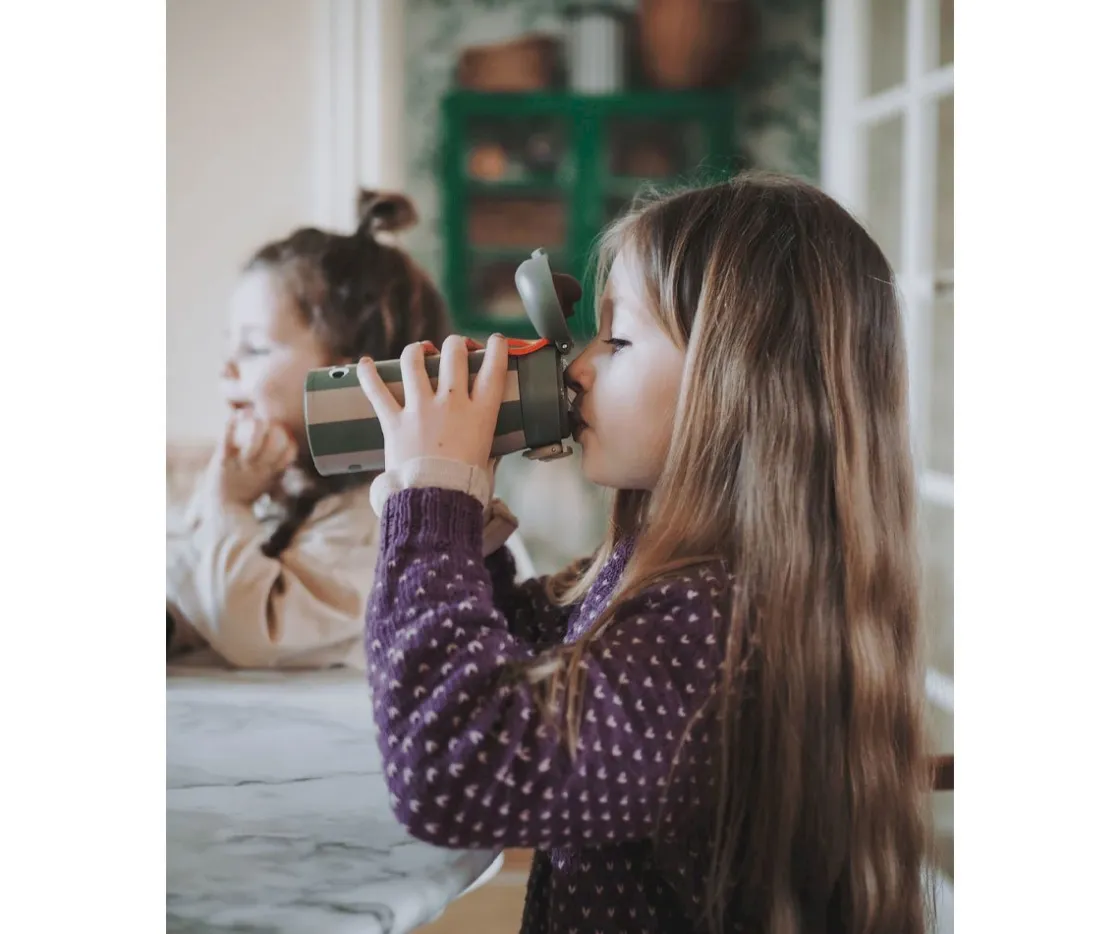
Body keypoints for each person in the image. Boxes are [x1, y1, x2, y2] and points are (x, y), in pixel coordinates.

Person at [357, 173, 934, 933]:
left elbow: (453, 773)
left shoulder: (716, 625)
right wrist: (459, 524)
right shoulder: (678, 578)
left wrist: (434, 510)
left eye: (618, 339)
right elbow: (514, 661)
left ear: (740, 382)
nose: (577, 367)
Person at [166, 189, 451, 669]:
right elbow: (191, 584)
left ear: (351, 377)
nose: (226, 369)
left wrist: (228, 505)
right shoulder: (276, 484)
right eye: (230, 346)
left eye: (253, 349)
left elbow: (255, 632)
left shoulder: (381, 521)